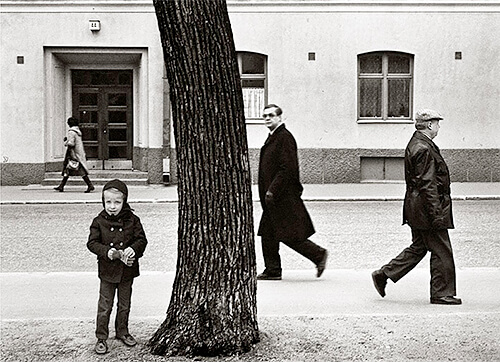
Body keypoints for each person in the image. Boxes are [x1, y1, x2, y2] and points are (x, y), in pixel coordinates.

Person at [372, 109, 462, 305]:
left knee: (419, 247)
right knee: (441, 250)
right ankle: (441, 293)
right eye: (437, 123)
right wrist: (436, 214)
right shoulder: (423, 148)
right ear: (430, 125)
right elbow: (427, 184)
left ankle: (384, 274)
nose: (438, 126)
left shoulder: (420, 144)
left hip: (418, 208)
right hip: (426, 210)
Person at [257, 104, 328, 280]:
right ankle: (273, 270)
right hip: (273, 197)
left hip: (281, 196)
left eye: (271, 115)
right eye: (264, 115)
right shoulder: (274, 137)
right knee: (269, 233)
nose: (267, 118)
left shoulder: (284, 138)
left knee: (288, 234)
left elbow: (287, 168)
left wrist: (272, 190)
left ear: (280, 118)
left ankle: (318, 254)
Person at [87, 179, 148, 354]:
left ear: (124, 201)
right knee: (105, 306)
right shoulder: (99, 221)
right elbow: (92, 243)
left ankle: (122, 331)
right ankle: (101, 336)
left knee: (124, 304)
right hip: (107, 271)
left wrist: (132, 250)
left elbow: (142, 240)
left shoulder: (133, 220)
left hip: (127, 271)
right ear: (103, 201)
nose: (112, 206)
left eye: (117, 202)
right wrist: (107, 252)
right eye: (108, 202)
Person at [54, 117, 94, 193]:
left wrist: (66, 141)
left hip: (72, 152)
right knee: (67, 169)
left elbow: (71, 143)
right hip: (78, 153)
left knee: (76, 168)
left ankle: (90, 185)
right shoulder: (77, 131)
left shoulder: (71, 132)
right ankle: (61, 186)